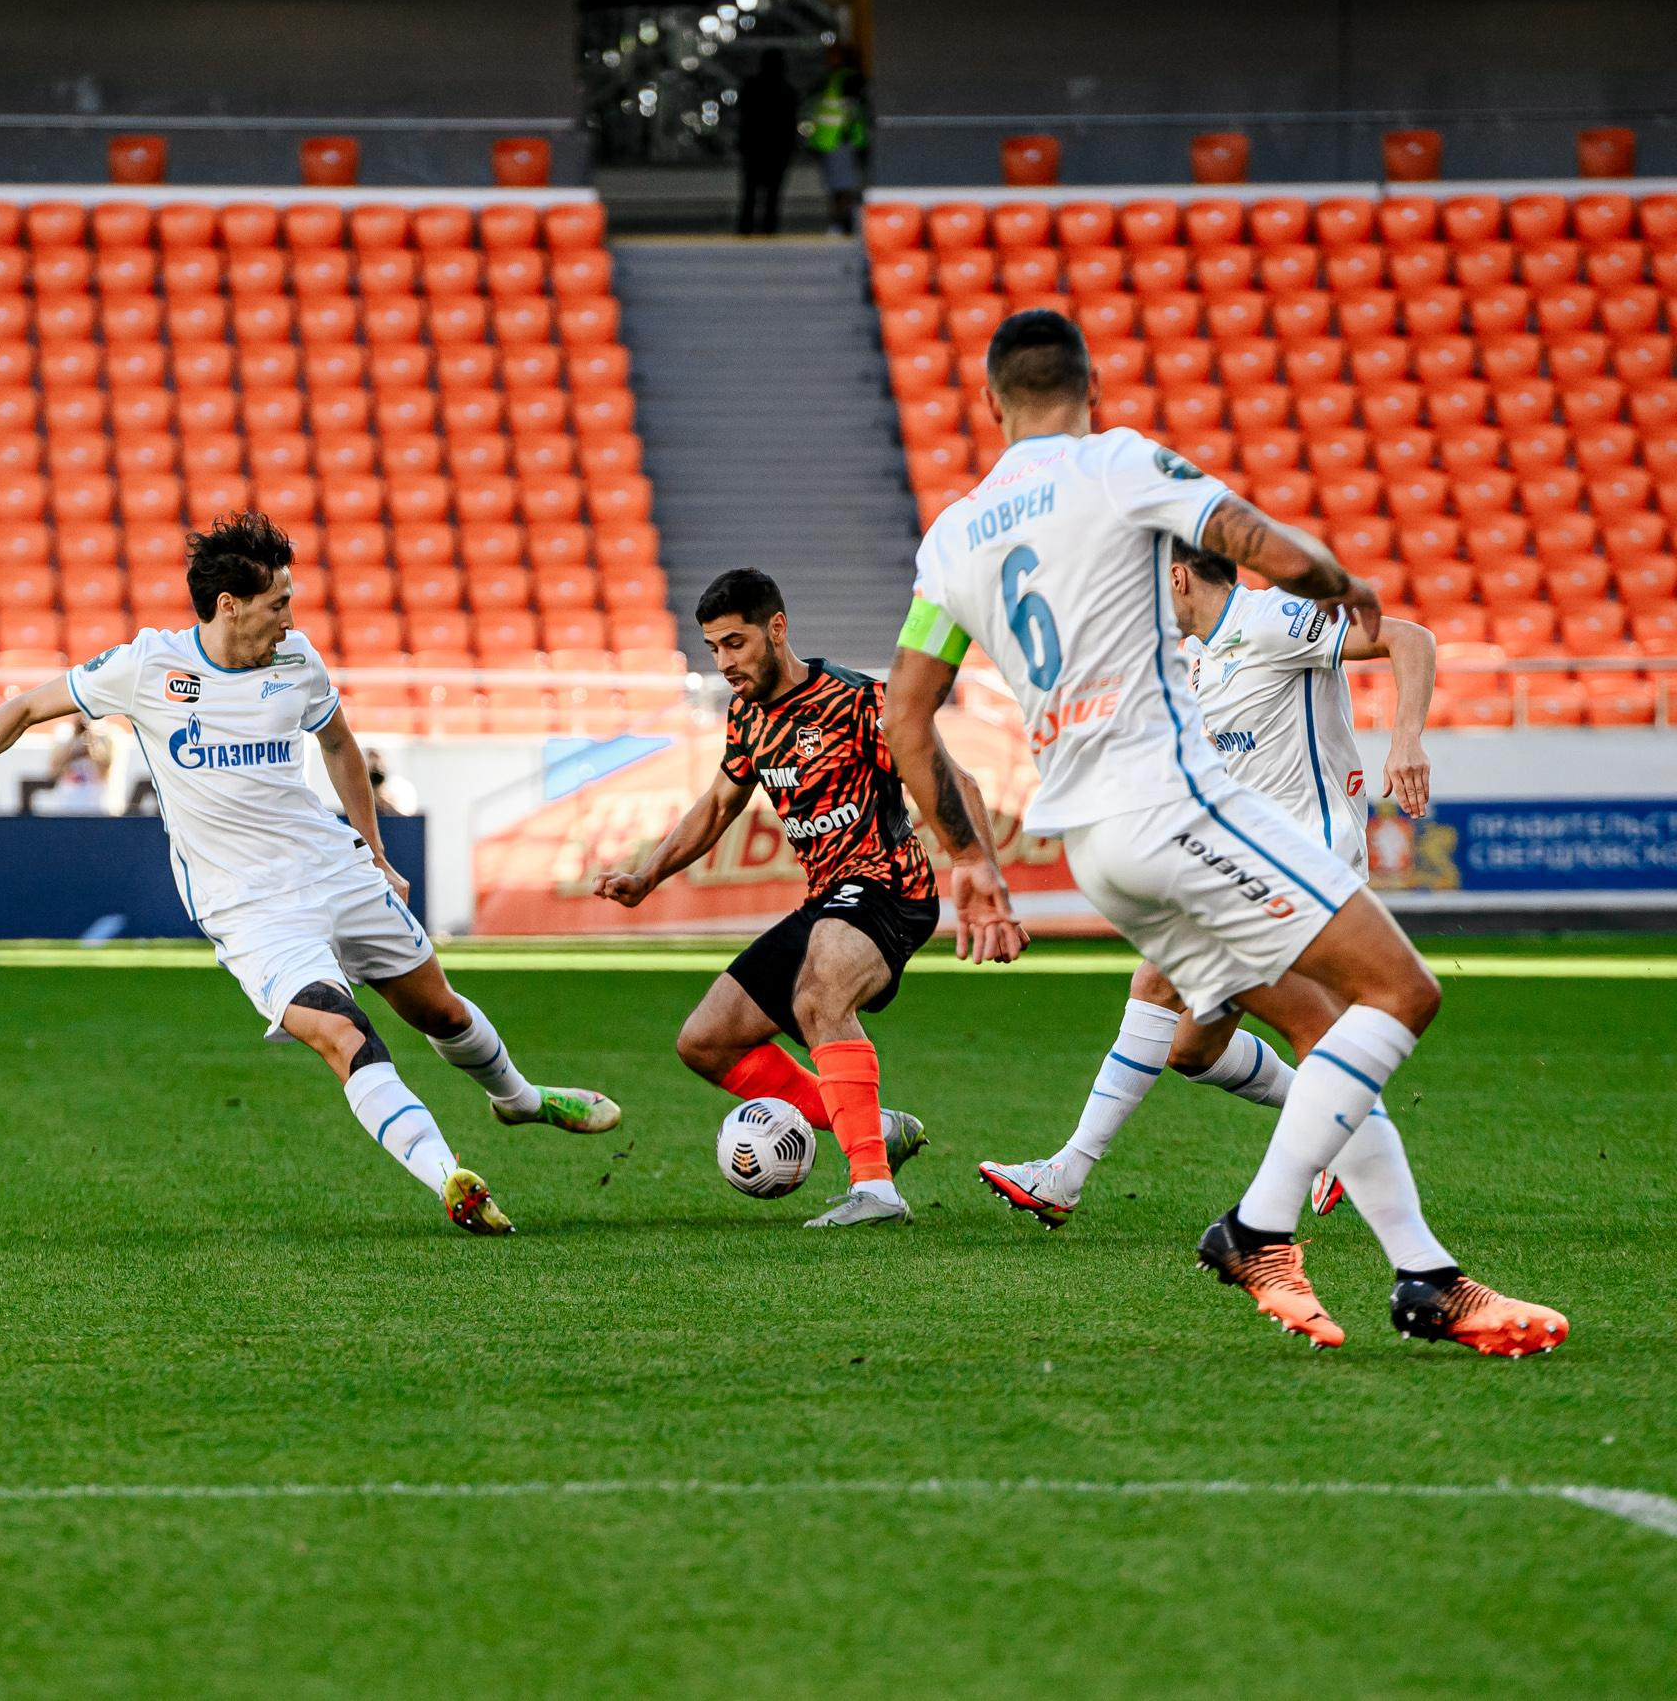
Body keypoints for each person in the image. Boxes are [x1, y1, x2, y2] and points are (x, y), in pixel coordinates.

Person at [887, 307, 1563, 1355]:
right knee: (1402, 992)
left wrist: (965, 858)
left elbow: (904, 710)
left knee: (1316, 1028)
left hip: (1094, 846)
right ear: (1094, 386)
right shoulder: (1113, 461)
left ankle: (1427, 1276)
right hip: (1177, 806)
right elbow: (1250, 538)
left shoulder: (952, 534)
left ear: (989, 402)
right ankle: (1255, 1229)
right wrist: (1339, 584)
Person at [0, 512, 620, 1234]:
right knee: (341, 1031)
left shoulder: (298, 661)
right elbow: (24, 706)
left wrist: (378, 854)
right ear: (229, 605)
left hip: (334, 869)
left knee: (441, 1013)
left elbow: (339, 746)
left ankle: (519, 1099)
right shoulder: (149, 667)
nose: (291, 617)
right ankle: (447, 1176)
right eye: (279, 602)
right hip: (252, 910)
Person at [979, 538, 1441, 1227]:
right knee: (1190, 1049)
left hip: (1309, 859)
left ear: (1176, 576)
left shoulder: (1270, 621)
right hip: (1246, 861)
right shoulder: (1193, 663)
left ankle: (1065, 1174)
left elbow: (1409, 637)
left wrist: (1405, 740)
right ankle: (1335, 1134)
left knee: (1156, 984)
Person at [591, 568, 978, 1227]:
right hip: (828, 900)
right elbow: (718, 806)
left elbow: (955, 779)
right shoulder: (746, 718)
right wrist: (648, 875)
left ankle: (875, 1189)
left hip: (890, 891)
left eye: (735, 643)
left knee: (817, 997)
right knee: (705, 1042)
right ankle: (873, 1126)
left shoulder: (858, 703)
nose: (724, 661)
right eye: (713, 647)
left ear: (777, 628)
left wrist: (981, 878)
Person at [799, 44, 870, 237]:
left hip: (841, 140)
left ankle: (844, 224)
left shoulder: (847, 78)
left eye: (832, 56)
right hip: (831, 141)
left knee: (842, 187)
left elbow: (852, 108)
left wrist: (846, 132)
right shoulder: (834, 79)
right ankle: (841, 222)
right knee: (837, 186)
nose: (828, 60)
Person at [735, 48, 800, 238]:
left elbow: (745, 117)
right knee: (772, 194)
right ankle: (768, 229)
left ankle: (746, 228)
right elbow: (790, 122)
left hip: (755, 147)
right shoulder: (787, 90)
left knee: (750, 192)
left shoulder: (751, 86)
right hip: (777, 149)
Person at [364, 747, 418, 817]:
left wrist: (386, 801)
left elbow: (407, 817)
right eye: (370, 759)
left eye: (377, 758)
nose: (376, 765)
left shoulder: (400, 786)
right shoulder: (359, 788)